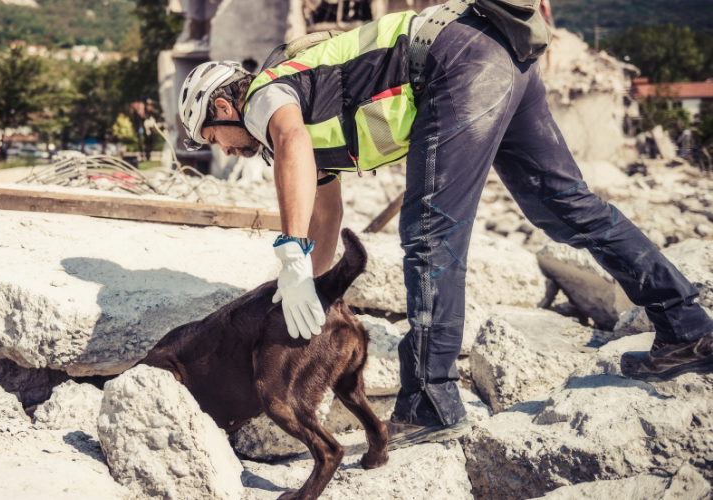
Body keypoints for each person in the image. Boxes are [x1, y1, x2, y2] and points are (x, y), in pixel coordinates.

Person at [177, 2, 713, 449]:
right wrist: (308, 288)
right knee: (564, 204)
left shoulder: (265, 94)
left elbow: (292, 144)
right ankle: (686, 326)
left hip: (455, 61)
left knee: (432, 234)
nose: (222, 148)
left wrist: (288, 254)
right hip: (497, 55)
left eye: (210, 135)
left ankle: (431, 403)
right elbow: (326, 213)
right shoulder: (303, 115)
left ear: (221, 103)